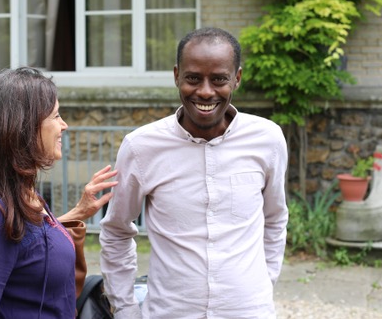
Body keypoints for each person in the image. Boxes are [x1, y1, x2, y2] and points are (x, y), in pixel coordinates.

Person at [100, 27, 289, 318]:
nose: (205, 91)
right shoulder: (141, 147)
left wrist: (264, 280)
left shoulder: (268, 139)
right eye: (192, 78)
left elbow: (275, 218)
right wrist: (125, 308)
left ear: (236, 78)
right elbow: (116, 231)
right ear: (177, 76)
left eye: (219, 79)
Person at [0, 67, 118, 318]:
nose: (64, 125)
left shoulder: (21, 196)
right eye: (56, 116)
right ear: (23, 128)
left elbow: (29, 248)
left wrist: (79, 212)